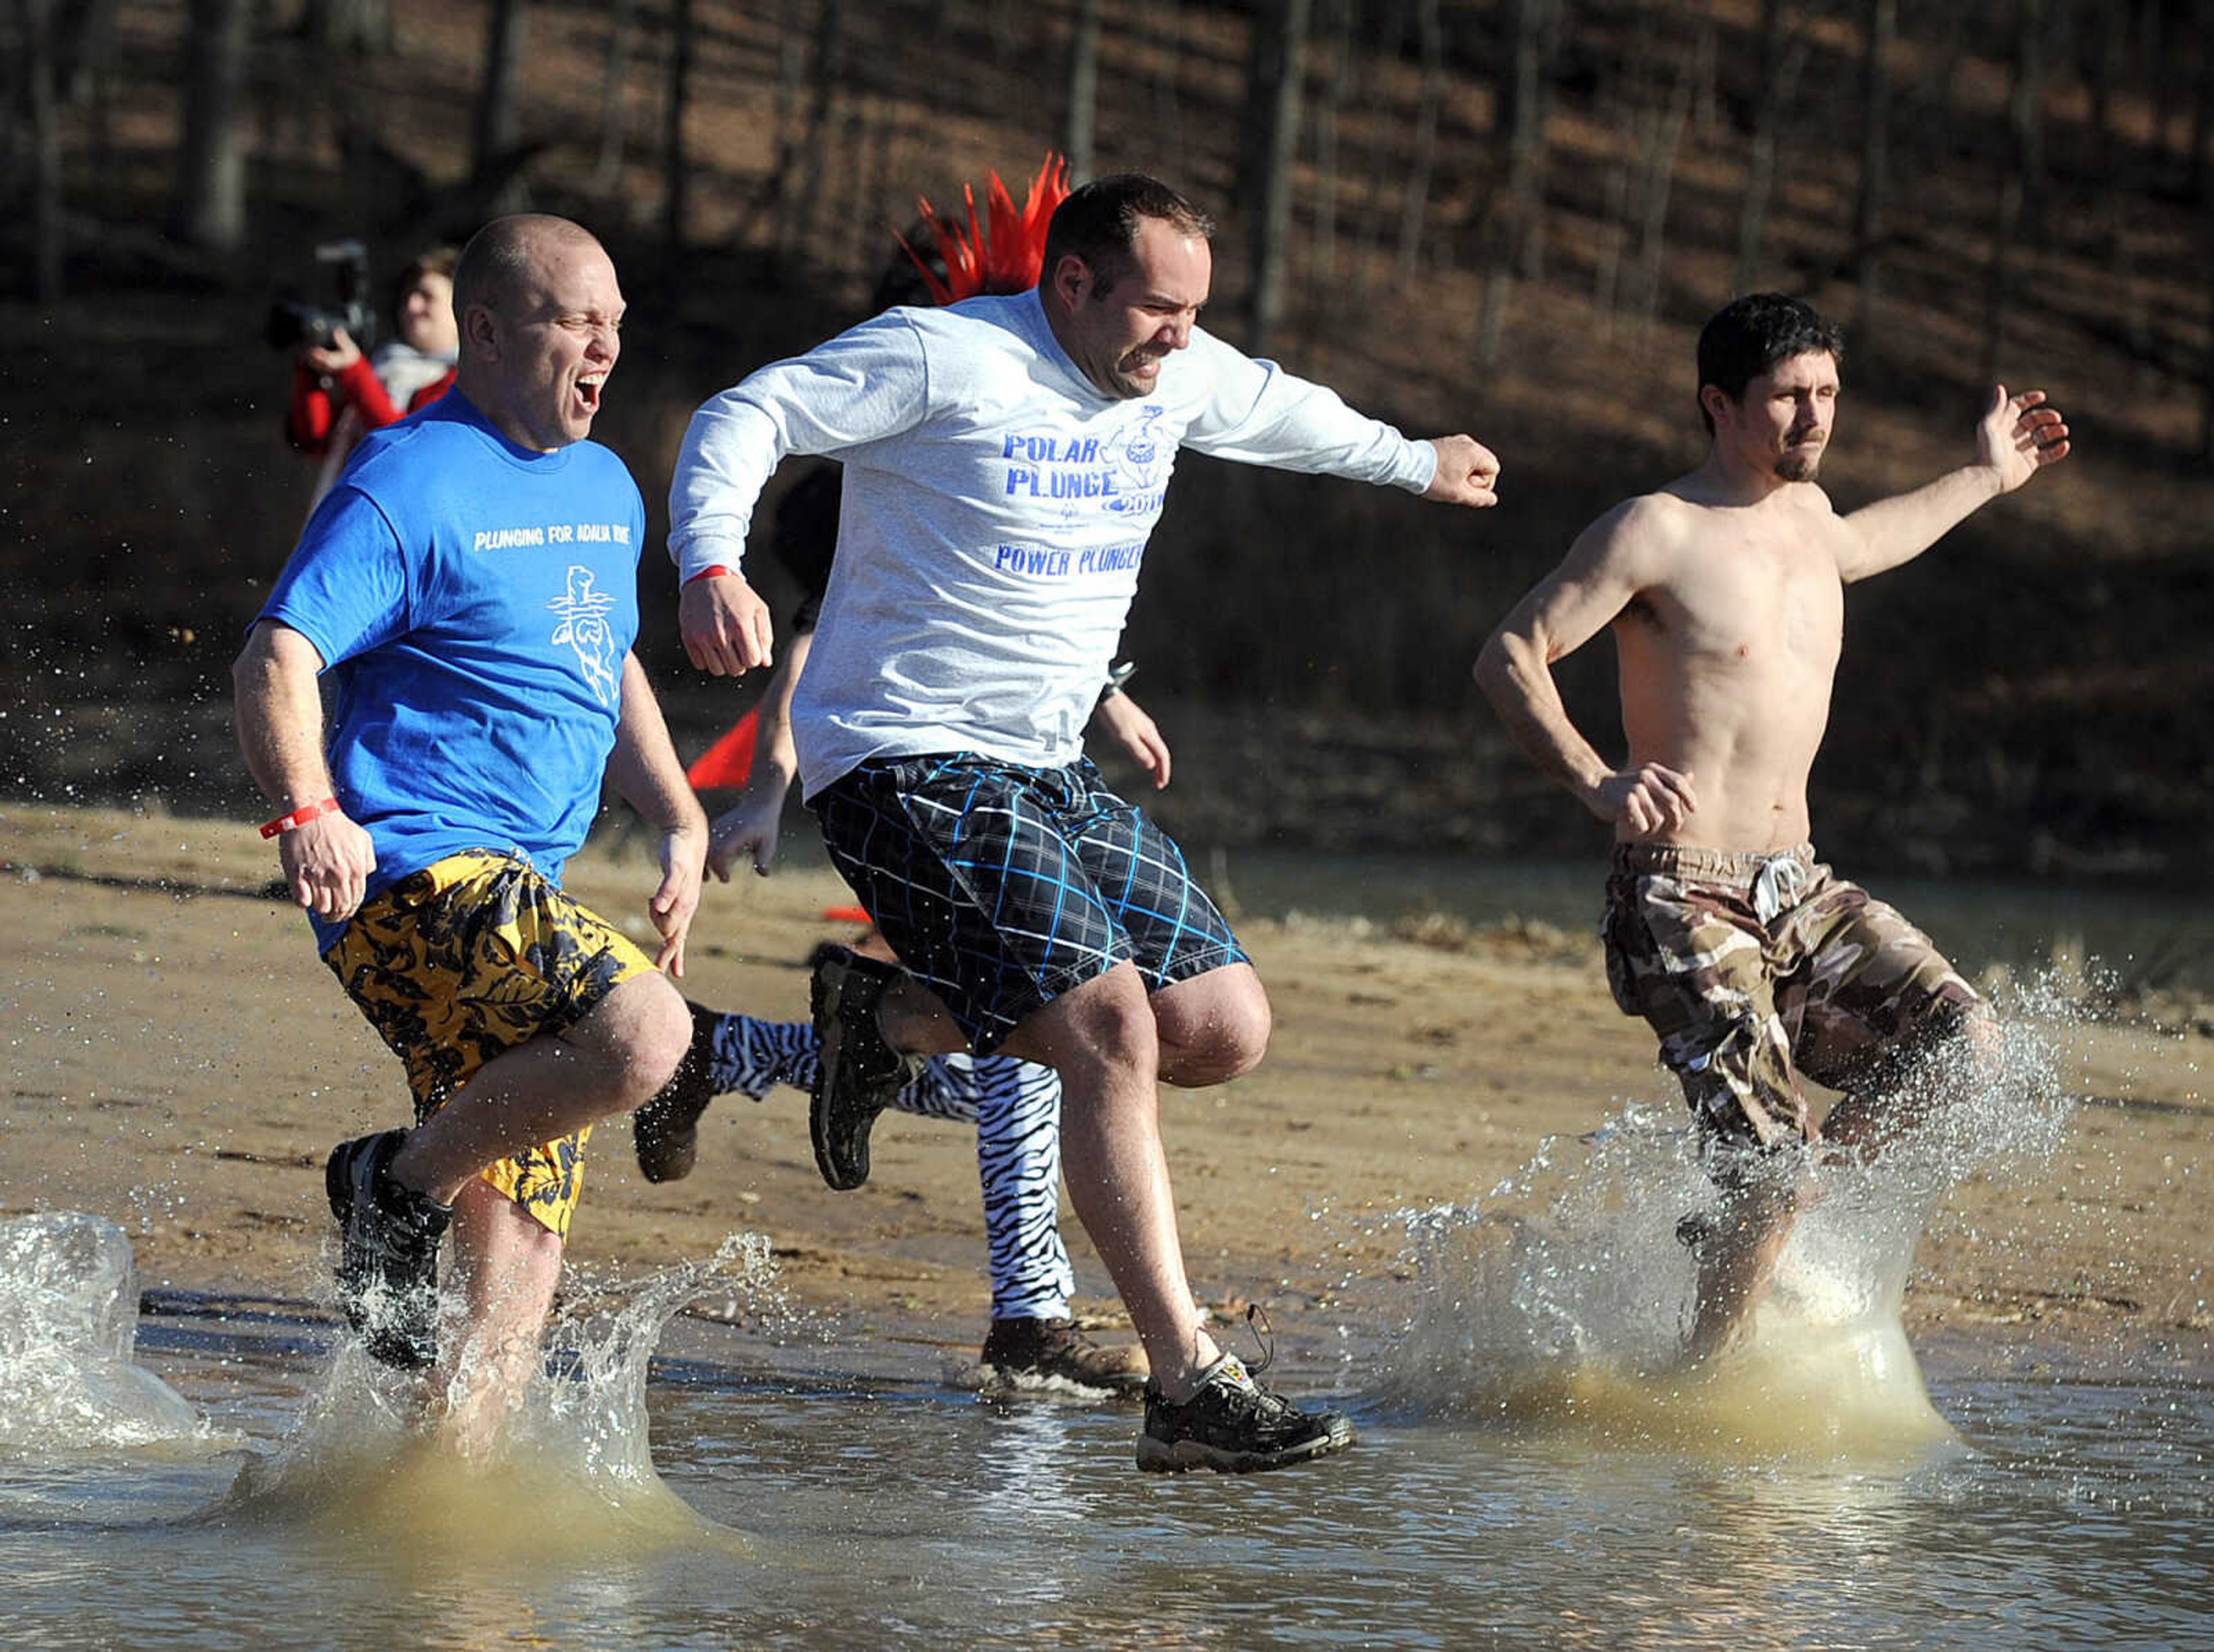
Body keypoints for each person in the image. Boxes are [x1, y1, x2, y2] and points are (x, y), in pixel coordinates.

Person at [667, 172, 1502, 1472]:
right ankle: (1187, 1380)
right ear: (1072, 284)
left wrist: (1415, 462)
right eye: (1160, 310)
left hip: (1044, 764)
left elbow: (1284, 410)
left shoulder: (1175, 372)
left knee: (1221, 1025)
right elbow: (749, 411)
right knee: (1108, 1023)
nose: (1182, 338)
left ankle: (878, 1022)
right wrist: (710, 560)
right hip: (901, 755)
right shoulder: (945, 357)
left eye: (1195, 313)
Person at [1474, 292, 2070, 1360]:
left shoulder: (1808, 518)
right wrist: (1596, 780)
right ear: (1719, 403)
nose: (1814, 418)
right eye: (1789, 397)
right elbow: (1509, 653)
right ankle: (1706, 1386)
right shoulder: (1655, 528)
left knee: (1965, 1048)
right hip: (1678, 888)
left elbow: (1871, 540)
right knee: (1769, 1162)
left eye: (1828, 394)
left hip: (1800, 886)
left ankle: (1768, 1220)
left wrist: (1988, 474)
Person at [233, 214, 705, 1449]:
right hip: (411, 872)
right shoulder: (410, 477)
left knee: (522, 1254)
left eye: (615, 320)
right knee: (646, 1027)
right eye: (574, 319)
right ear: (488, 332)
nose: (604, 344)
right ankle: (392, 1183)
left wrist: (677, 809)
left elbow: (603, 653)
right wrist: (307, 809)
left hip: (526, 887)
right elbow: (276, 652)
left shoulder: (605, 483)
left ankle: (440, 1531)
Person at [287, 245, 461, 506]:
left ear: (460, 307)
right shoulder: (383, 367)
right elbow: (313, 439)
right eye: (409, 296)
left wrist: (354, 372)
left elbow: (404, 446)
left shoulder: (467, 382)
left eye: (427, 297)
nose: (412, 306)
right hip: (352, 514)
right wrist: (312, 370)